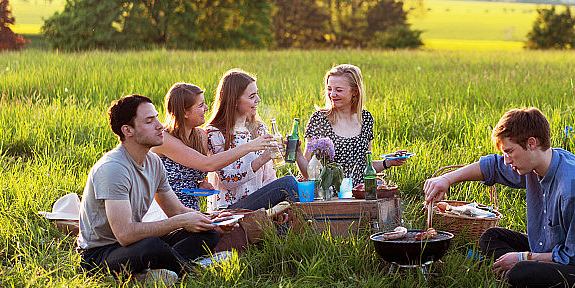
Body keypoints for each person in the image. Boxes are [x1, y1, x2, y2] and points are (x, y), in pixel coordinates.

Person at [424, 107, 575, 288]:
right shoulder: (538, 163)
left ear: (531, 143)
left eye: (509, 152)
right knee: (491, 237)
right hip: (559, 248)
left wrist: (524, 257)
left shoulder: (573, 189)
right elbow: (493, 167)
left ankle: (514, 272)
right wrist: (446, 179)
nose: (506, 160)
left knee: (521, 273)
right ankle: (512, 269)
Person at [77, 95, 231, 283]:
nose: (160, 125)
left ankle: (156, 272)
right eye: (150, 121)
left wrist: (212, 221)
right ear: (128, 130)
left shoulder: (153, 162)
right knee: (153, 246)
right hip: (100, 254)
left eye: (157, 118)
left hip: (134, 244)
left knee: (207, 233)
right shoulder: (113, 168)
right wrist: (179, 221)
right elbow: (124, 235)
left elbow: (176, 211)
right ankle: (193, 271)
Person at [151, 82, 275, 210]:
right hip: (168, 212)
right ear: (184, 112)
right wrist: (251, 146)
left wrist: (200, 184)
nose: (206, 108)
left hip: (193, 211)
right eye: (200, 105)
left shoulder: (201, 136)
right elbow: (208, 164)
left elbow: (193, 173)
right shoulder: (163, 138)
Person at [296, 64, 407, 186]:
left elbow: (363, 166)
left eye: (339, 90)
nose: (332, 94)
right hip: (326, 195)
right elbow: (307, 171)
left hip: (358, 193)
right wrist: (297, 154)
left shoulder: (366, 119)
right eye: (329, 89)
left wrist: (388, 162)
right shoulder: (319, 119)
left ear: (355, 91)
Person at [205, 69, 298, 212]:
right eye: (252, 96)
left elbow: (269, 177)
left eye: (257, 94)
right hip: (228, 210)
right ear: (234, 100)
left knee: (287, 207)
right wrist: (262, 159)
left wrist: (276, 205)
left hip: (257, 204)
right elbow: (228, 181)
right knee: (289, 183)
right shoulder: (215, 133)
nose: (258, 100)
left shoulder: (259, 129)